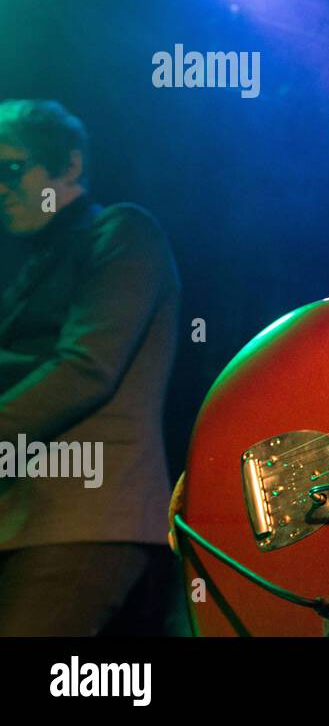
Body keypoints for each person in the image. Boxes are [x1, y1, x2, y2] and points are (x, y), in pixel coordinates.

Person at [0, 99, 179, 635]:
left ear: (71, 165)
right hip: (31, 523)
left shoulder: (122, 231)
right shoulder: (38, 264)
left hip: (86, 523)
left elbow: (86, 368)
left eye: (9, 169)